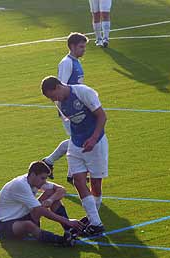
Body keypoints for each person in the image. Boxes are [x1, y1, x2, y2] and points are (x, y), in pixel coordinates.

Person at [41, 76, 108, 236]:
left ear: (58, 86)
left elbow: (102, 116)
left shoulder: (83, 92)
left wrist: (93, 138)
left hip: (96, 144)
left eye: (52, 96)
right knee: (78, 180)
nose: (53, 100)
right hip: (76, 145)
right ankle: (96, 223)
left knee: (96, 185)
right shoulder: (60, 103)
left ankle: (93, 218)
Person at [0, 161, 84, 246]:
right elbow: (40, 210)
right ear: (33, 175)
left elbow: (61, 190)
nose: (44, 181)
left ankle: (69, 229)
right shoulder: (20, 185)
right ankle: (62, 241)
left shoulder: (33, 180)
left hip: (24, 216)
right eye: (42, 178)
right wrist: (67, 221)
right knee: (28, 224)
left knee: (51, 192)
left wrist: (50, 200)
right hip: (6, 225)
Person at [42, 33, 88, 184]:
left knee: (77, 140)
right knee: (78, 140)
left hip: (78, 108)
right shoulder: (67, 63)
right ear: (72, 46)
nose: (84, 50)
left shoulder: (76, 62)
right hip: (70, 110)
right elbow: (58, 87)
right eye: (81, 47)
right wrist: (63, 111)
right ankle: (51, 163)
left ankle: (62, 169)